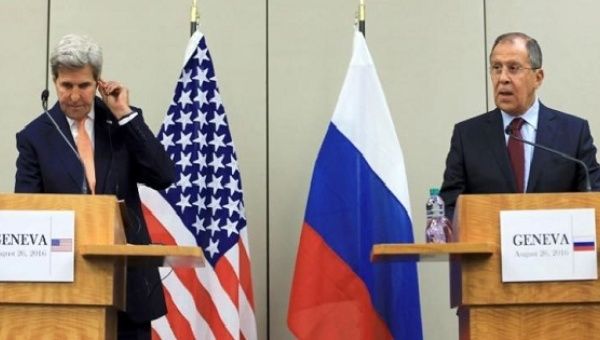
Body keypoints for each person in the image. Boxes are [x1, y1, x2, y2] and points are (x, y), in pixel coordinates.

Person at [14, 34, 175, 339]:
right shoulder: (35, 137)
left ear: (99, 83)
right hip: (66, 289)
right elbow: (27, 212)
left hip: (129, 287)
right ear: (54, 81)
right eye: (66, 86)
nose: (74, 96)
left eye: (84, 86)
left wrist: (124, 114)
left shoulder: (120, 123)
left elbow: (164, 175)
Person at [440, 32, 600, 219]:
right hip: (490, 246)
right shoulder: (467, 136)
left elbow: (593, 201)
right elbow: (449, 208)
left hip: (552, 247)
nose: (503, 78)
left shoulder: (573, 133)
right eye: (496, 68)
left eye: (513, 68)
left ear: (538, 77)